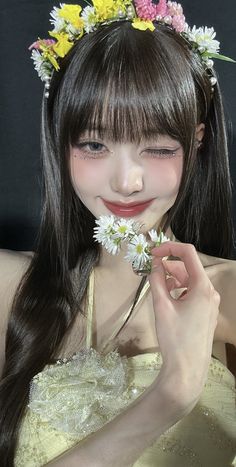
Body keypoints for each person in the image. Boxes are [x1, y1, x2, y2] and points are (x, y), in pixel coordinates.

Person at [0, 1, 236, 465]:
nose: (126, 181)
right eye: (94, 144)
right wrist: (172, 393)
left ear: (198, 140)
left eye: (158, 147)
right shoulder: (9, 289)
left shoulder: (225, 291)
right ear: (60, 141)